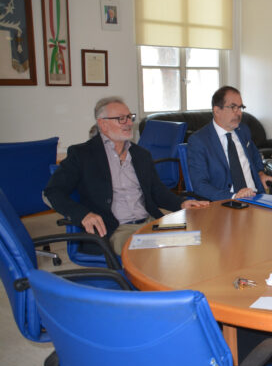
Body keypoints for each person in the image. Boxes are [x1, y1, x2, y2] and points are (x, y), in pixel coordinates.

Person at [45, 97, 209, 255]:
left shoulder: (140, 155)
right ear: (103, 124)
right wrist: (82, 214)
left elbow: (157, 191)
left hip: (150, 223)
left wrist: (182, 203)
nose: (129, 123)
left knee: (198, 240)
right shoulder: (82, 154)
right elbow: (53, 191)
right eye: (121, 119)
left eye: (130, 117)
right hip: (116, 229)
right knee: (153, 255)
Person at [187, 86, 272, 201]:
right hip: (225, 202)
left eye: (240, 107)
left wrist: (261, 174)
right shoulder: (199, 140)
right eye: (233, 107)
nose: (239, 113)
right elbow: (200, 185)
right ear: (217, 110)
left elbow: (255, 157)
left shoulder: (243, 130)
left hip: (256, 198)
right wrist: (234, 196)